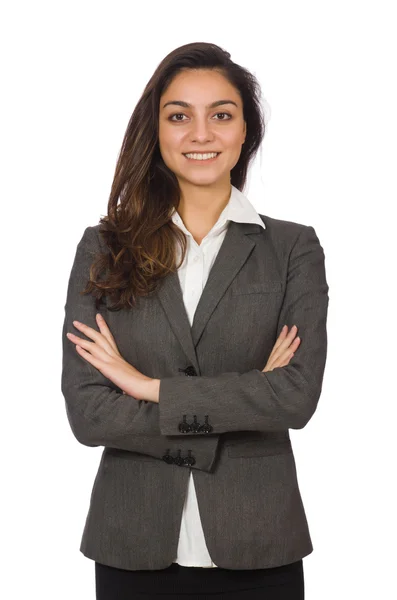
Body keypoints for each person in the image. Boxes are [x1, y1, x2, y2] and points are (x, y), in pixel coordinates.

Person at [61, 41, 329, 600]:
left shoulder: (292, 249)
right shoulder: (104, 248)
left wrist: (145, 387)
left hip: (260, 543)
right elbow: (89, 415)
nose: (200, 134)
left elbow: (296, 398)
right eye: (179, 115)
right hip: (133, 541)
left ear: (244, 132)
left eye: (221, 115)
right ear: (156, 131)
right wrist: (245, 399)